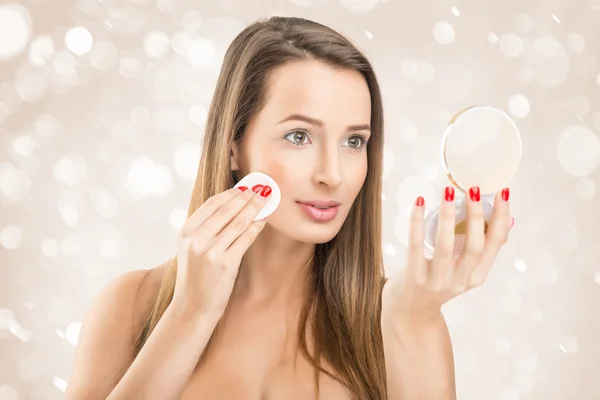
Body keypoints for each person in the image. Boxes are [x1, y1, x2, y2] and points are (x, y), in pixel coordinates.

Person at [64, 16, 513, 400]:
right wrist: (191, 313)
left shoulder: (396, 319)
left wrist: (411, 320)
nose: (332, 174)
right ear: (233, 147)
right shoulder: (130, 306)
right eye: (300, 136)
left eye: (354, 141)